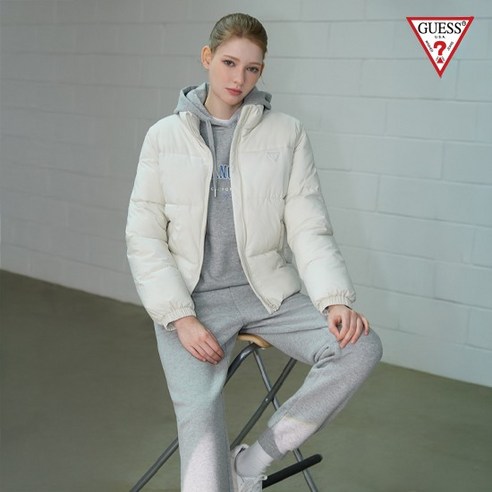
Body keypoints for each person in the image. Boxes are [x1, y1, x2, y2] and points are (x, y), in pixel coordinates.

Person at [126, 12, 382, 492]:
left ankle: (249, 464)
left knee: (360, 347)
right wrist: (179, 316)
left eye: (252, 68)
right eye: (228, 63)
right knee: (201, 451)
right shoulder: (164, 136)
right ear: (206, 57)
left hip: (267, 293)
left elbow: (308, 226)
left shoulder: (287, 133)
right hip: (193, 303)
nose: (238, 78)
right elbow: (144, 237)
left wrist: (334, 300)